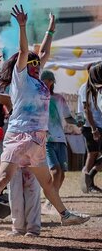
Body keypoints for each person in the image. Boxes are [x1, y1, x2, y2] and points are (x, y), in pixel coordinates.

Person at [0, 8, 89, 227]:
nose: (36, 66)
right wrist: (22, 26)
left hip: (37, 138)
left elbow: (43, 52)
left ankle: (65, 215)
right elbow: (23, 50)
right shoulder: (21, 78)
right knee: (3, 177)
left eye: (37, 65)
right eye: (32, 63)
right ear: (24, 65)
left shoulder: (37, 80)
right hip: (19, 135)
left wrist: (50, 31)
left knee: (47, 182)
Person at [41, 70, 77, 199]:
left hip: (61, 140)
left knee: (62, 174)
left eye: (47, 81)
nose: (44, 83)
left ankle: (52, 197)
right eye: (42, 81)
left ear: (51, 82)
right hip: (47, 140)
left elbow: (68, 118)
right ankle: (52, 200)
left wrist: (78, 122)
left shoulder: (59, 98)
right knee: (56, 172)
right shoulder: (37, 98)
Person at [78, 62, 102, 193]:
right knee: (92, 153)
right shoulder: (85, 88)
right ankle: (87, 182)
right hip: (90, 126)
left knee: (94, 154)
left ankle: (89, 175)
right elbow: (86, 110)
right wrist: (93, 129)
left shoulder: (98, 87)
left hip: (99, 125)